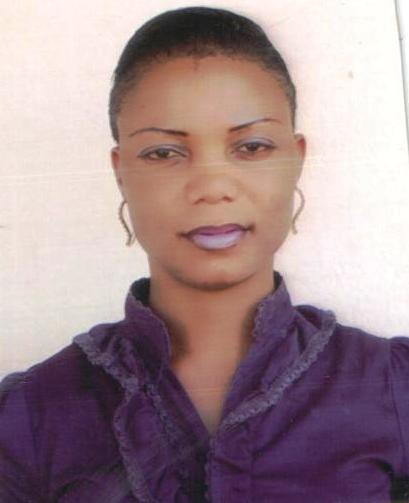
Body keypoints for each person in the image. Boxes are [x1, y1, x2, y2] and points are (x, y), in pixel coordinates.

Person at [1, 6, 408, 502]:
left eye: (252, 147)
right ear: (121, 173)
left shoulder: (392, 387)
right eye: (164, 153)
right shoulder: (27, 417)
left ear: (296, 160)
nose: (213, 187)